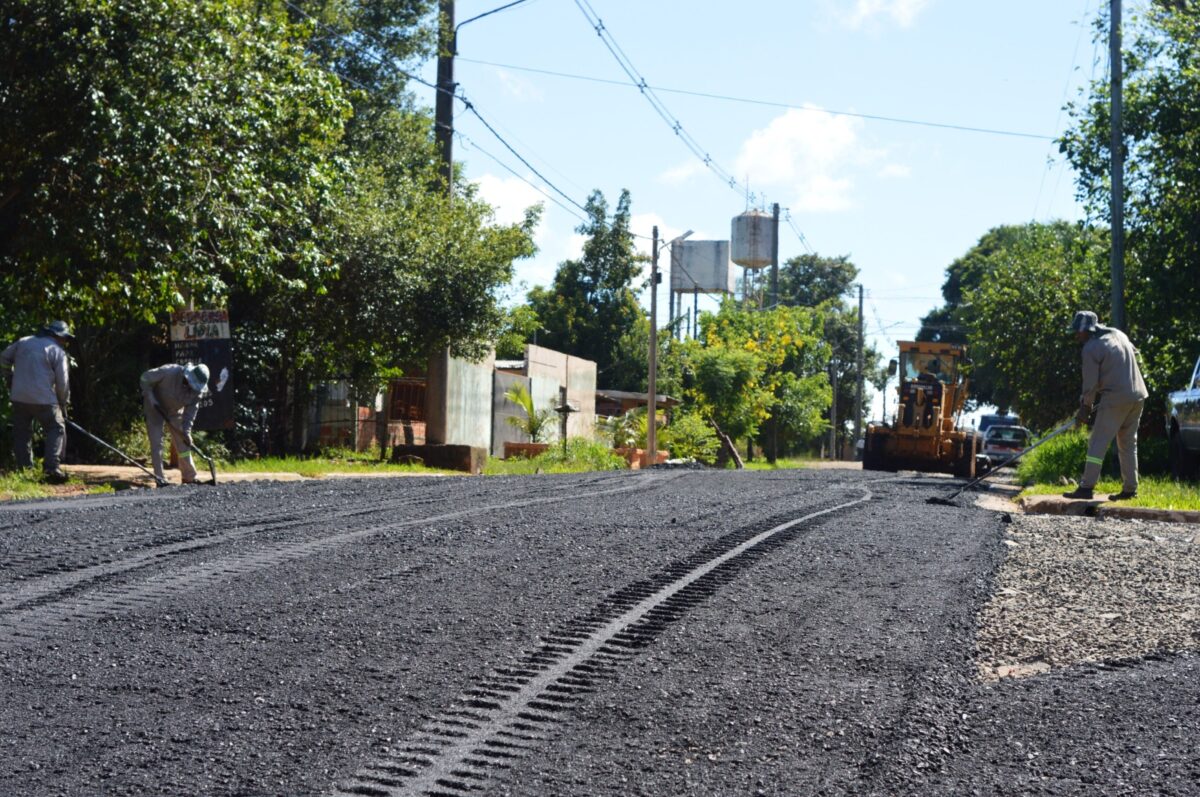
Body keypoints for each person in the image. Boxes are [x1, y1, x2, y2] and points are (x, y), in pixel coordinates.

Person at [1062, 311, 1148, 501]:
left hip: (1115, 398)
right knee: (1128, 444)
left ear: (1088, 330)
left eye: (1078, 331)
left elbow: (1090, 385)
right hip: (1138, 395)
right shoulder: (1119, 334)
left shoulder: (1091, 348)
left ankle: (1086, 487)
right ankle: (1130, 489)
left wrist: (1085, 408)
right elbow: (1134, 354)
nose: (1076, 335)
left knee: (1097, 443)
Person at [0, 321, 74, 483]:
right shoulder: (57, 351)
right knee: (56, 427)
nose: (65, 342)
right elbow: (62, 383)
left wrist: (9, 378)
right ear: (58, 336)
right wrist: (63, 403)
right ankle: (51, 468)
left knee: (22, 433)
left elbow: (3, 358)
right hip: (44, 399)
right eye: (64, 338)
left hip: (19, 397)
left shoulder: (24, 342)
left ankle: (24, 470)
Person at [140, 362, 209, 485]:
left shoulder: (197, 392)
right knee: (157, 443)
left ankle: (189, 477)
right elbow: (144, 378)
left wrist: (186, 432)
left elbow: (190, 414)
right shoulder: (169, 372)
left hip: (174, 411)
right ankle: (160, 478)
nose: (191, 387)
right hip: (155, 407)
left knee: (184, 443)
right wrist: (150, 397)